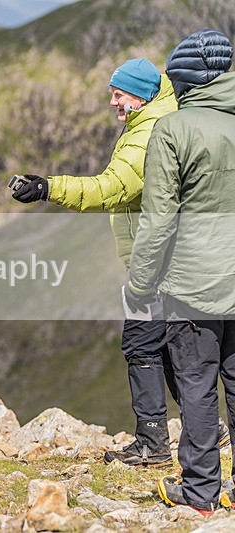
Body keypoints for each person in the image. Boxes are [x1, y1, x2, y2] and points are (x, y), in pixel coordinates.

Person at [10, 58, 222, 467]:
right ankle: (207, 431)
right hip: (169, 260)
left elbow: (111, 188)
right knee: (171, 349)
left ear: (141, 96)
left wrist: (48, 188)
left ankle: (154, 445)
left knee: (142, 345)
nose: (112, 102)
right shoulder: (151, 122)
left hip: (157, 263)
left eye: (118, 94)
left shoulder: (149, 136)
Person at [123, 29, 235, 515]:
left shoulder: (175, 128)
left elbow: (159, 218)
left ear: (184, 79)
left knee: (195, 383)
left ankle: (200, 493)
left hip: (193, 283)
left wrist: (141, 283)